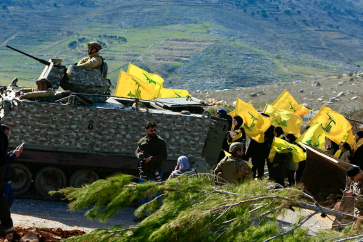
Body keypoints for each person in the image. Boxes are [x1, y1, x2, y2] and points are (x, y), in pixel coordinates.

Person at [2, 125, 23, 209]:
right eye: (5, 133)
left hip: (7, 179)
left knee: (9, 200)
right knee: (4, 203)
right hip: (3, 180)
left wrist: (13, 152)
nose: (7, 136)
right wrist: (14, 155)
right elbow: (4, 161)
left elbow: (5, 156)